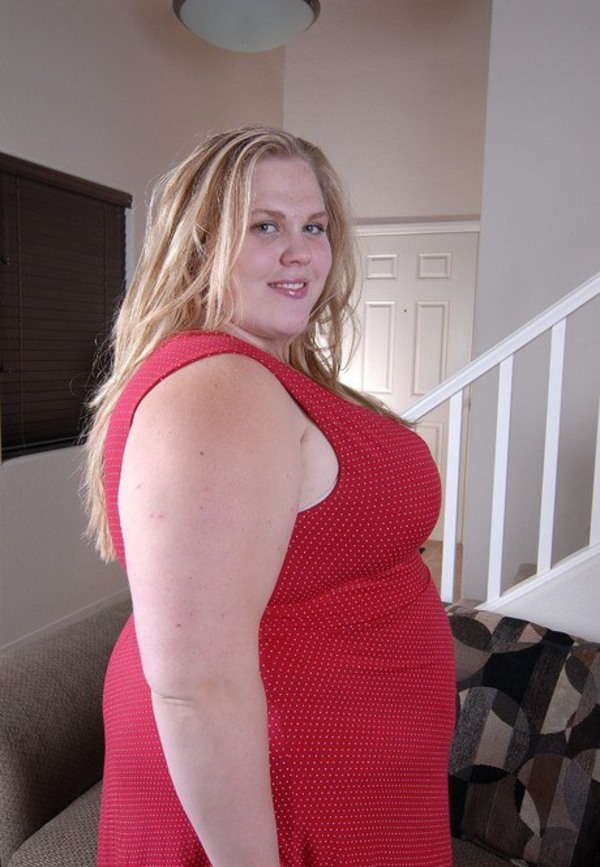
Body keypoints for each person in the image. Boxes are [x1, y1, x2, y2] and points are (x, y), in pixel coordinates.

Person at [84, 126, 456, 866]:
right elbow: (195, 686)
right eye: (264, 227)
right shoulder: (218, 390)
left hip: (343, 788)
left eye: (313, 227)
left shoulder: (268, 376)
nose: (300, 252)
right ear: (198, 247)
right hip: (281, 798)